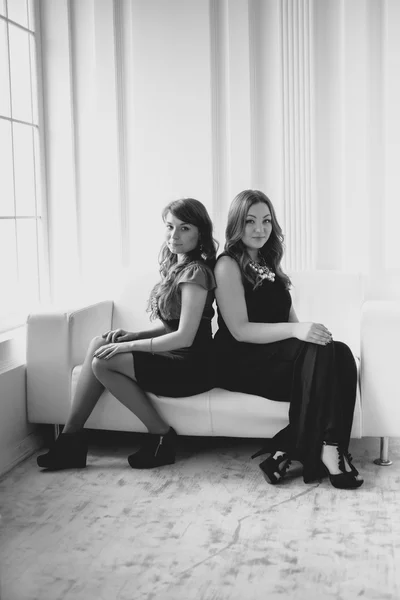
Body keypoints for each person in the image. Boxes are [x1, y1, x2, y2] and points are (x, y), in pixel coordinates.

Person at [37, 198, 218, 471]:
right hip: (174, 354)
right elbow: (169, 325)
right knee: (101, 342)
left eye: (185, 228)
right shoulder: (177, 267)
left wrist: (129, 348)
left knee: (104, 360)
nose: (174, 235)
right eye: (170, 227)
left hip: (192, 367)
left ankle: (161, 435)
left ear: (200, 233)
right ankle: (70, 439)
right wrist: (131, 336)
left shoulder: (196, 274)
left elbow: (184, 337)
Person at [213, 189, 363, 489]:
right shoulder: (227, 264)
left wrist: (309, 339)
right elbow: (240, 330)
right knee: (327, 354)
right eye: (251, 221)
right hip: (240, 362)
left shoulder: (269, 262)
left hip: (273, 358)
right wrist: (297, 332)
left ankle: (325, 448)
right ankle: (316, 452)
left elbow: (292, 320)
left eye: (267, 221)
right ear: (236, 224)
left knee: (340, 355)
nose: (260, 229)